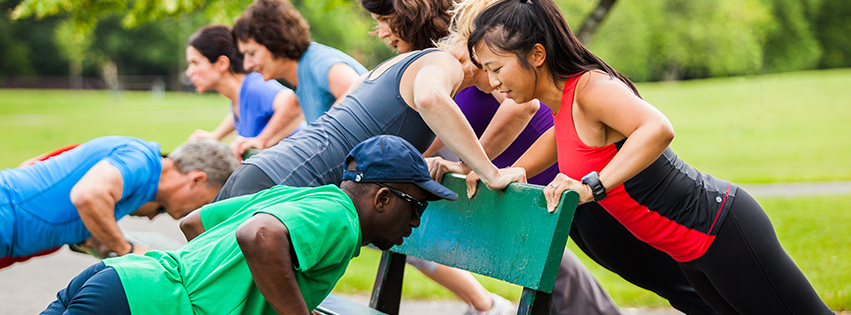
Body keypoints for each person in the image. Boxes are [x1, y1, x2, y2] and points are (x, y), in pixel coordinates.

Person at [466, 0, 834, 314]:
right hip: (689, 251)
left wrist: (592, 186)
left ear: (537, 55)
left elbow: (657, 128)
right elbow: (559, 139)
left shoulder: (591, 88)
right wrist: (516, 170)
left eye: (496, 68)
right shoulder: (564, 102)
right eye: (485, 70)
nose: (492, 81)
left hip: (720, 229)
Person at [362, 0, 620, 314]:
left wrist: (473, 163)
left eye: (385, 19)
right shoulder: (437, 63)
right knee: (554, 268)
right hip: (519, 177)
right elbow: (441, 129)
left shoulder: (476, 56)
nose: (380, 31)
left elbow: (523, 107)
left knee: (594, 260)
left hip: (550, 165)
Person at [42, 135, 458, 315]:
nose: (417, 220)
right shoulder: (342, 217)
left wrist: (221, 282)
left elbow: (194, 223)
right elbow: (258, 235)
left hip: (120, 282)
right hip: (145, 304)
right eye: (415, 205)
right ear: (382, 199)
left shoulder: (301, 196)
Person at [0, 137, 238, 268]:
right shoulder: (140, 157)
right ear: (197, 180)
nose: (199, 212)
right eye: (207, 202)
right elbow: (88, 196)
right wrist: (129, 250)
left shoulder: (136, 181)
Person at [232, 0, 368, 124]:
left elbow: (358, 93)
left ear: (274, 40)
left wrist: (319, 135)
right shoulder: (300, 75)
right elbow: (294, 105)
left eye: (251, 53)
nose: (247, 65)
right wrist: (261, 140)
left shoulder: (319, 62)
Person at [184, 24, 306, 160]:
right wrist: (215, 135)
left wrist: (262, 141)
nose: (189, 72)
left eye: (195, 62)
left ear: (221, 64)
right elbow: (245, 110)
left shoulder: (256, 86)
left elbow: (297, 104)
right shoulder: (240, 96)